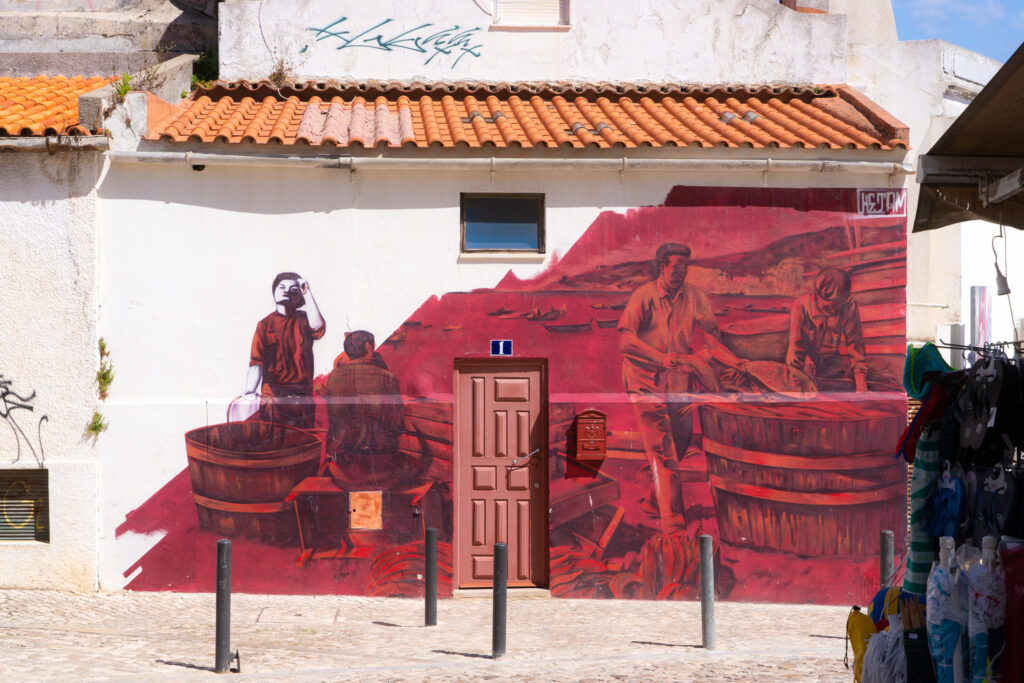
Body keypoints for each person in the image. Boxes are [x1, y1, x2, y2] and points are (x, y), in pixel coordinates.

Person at [618, 243, 749, 534]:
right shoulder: (644, 297)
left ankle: (654, 501)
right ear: (662, 266)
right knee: (663, 450)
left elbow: (711, 338)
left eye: (685, 267)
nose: (681, 272)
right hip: (645, 381)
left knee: (681, 441)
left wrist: (737, 363)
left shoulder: (695, 297)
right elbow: (625, 341)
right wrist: (659, 357)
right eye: (676, 267)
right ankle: (674, 524)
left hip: (678, 382)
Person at [243, 272, 325, 430]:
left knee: (303, 443)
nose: (287, 291)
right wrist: (249, 391)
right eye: (282, 287)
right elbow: (256, 361)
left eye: (293, 289)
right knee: (274, 441)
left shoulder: (304, 319)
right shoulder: (265, 324)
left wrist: (306, 292)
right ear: (273, 292)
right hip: (273, 396)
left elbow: (318, 327)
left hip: (303, 395)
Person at [325, 330, 405, 465]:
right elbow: (397, 423)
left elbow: (334, 419)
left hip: (342, 459)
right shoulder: (387, 377)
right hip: (379, 459)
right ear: (369, 347)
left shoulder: (334, 376)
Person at [786, 267, 868, 392]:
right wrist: (795, 380)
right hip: (805, 366)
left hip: (833, 367)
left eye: (837, 306)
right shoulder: (800, 306)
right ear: (817, 296)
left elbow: (855, 345)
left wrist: (862, 387)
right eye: (828, 307)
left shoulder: (849, 306)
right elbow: (795, 349)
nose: (834, 311)